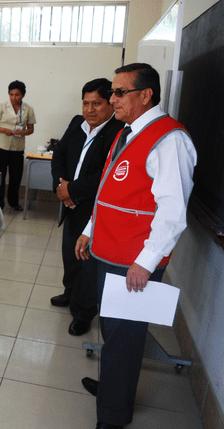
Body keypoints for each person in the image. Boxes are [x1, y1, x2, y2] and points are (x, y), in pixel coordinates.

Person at [75, 63, 197, 429]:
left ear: (145, 95)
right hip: (107, 252)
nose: (112, 100)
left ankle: (113, 416)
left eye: (119, 93)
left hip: (132, 262)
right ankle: (115, 387)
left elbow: (173, 211)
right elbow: (109, 192)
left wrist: (145, 263)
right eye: (112, 92)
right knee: (114, 332)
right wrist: (88, 230)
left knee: (126, 338)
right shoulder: (127, 133)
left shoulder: (169, 139)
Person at [49, 78, 124, 337]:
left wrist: (72, 190)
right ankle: (70, 295)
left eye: (97, 103)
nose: (90, 109)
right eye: (85, 103)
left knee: (87, 263)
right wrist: (62, 186)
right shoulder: (76, 124)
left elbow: (106, 174)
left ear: (110, 104)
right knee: (70, 256)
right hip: (70, 205)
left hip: (94, 210)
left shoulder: (118, 132)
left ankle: (83, 313)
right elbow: (59, 155)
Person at [0, 80, 36, 211]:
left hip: (17, 147)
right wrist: (4, 130)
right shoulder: (2, 106)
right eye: (11, 94)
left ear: (23, 95)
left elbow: (31, 129)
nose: (14, 98)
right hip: (0, 146)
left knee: (16, 176)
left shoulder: (29, 109)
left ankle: (14, 202)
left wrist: (23, 132)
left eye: (17, 95)